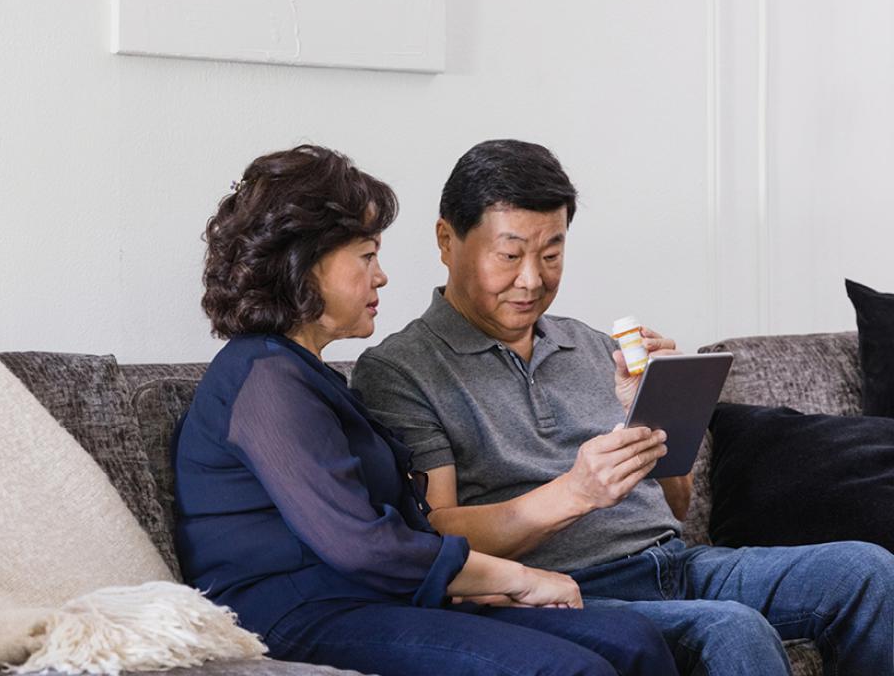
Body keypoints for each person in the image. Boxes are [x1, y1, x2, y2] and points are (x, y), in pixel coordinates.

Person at [350, 138, 894, 676]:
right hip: (564, 591)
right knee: (731, 628)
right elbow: (435, 534)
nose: (532, 280)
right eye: (509, 256)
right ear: (447, 240)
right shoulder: (401, 370)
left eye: (552, 255)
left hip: (676, 563)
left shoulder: (593, 346)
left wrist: (663, 414)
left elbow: (676, 506)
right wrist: (576, 493)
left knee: (866, 571)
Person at [172, 144, 678, 676]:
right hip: (295, 614)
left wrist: (469, 582)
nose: (382, 276)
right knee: (570, 670)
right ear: (303, 265)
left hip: (368, 596)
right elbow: (361, 547)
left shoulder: (305, 373)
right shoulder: (263, 379)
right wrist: (518, 578)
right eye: (367, 256)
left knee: (632, 639)